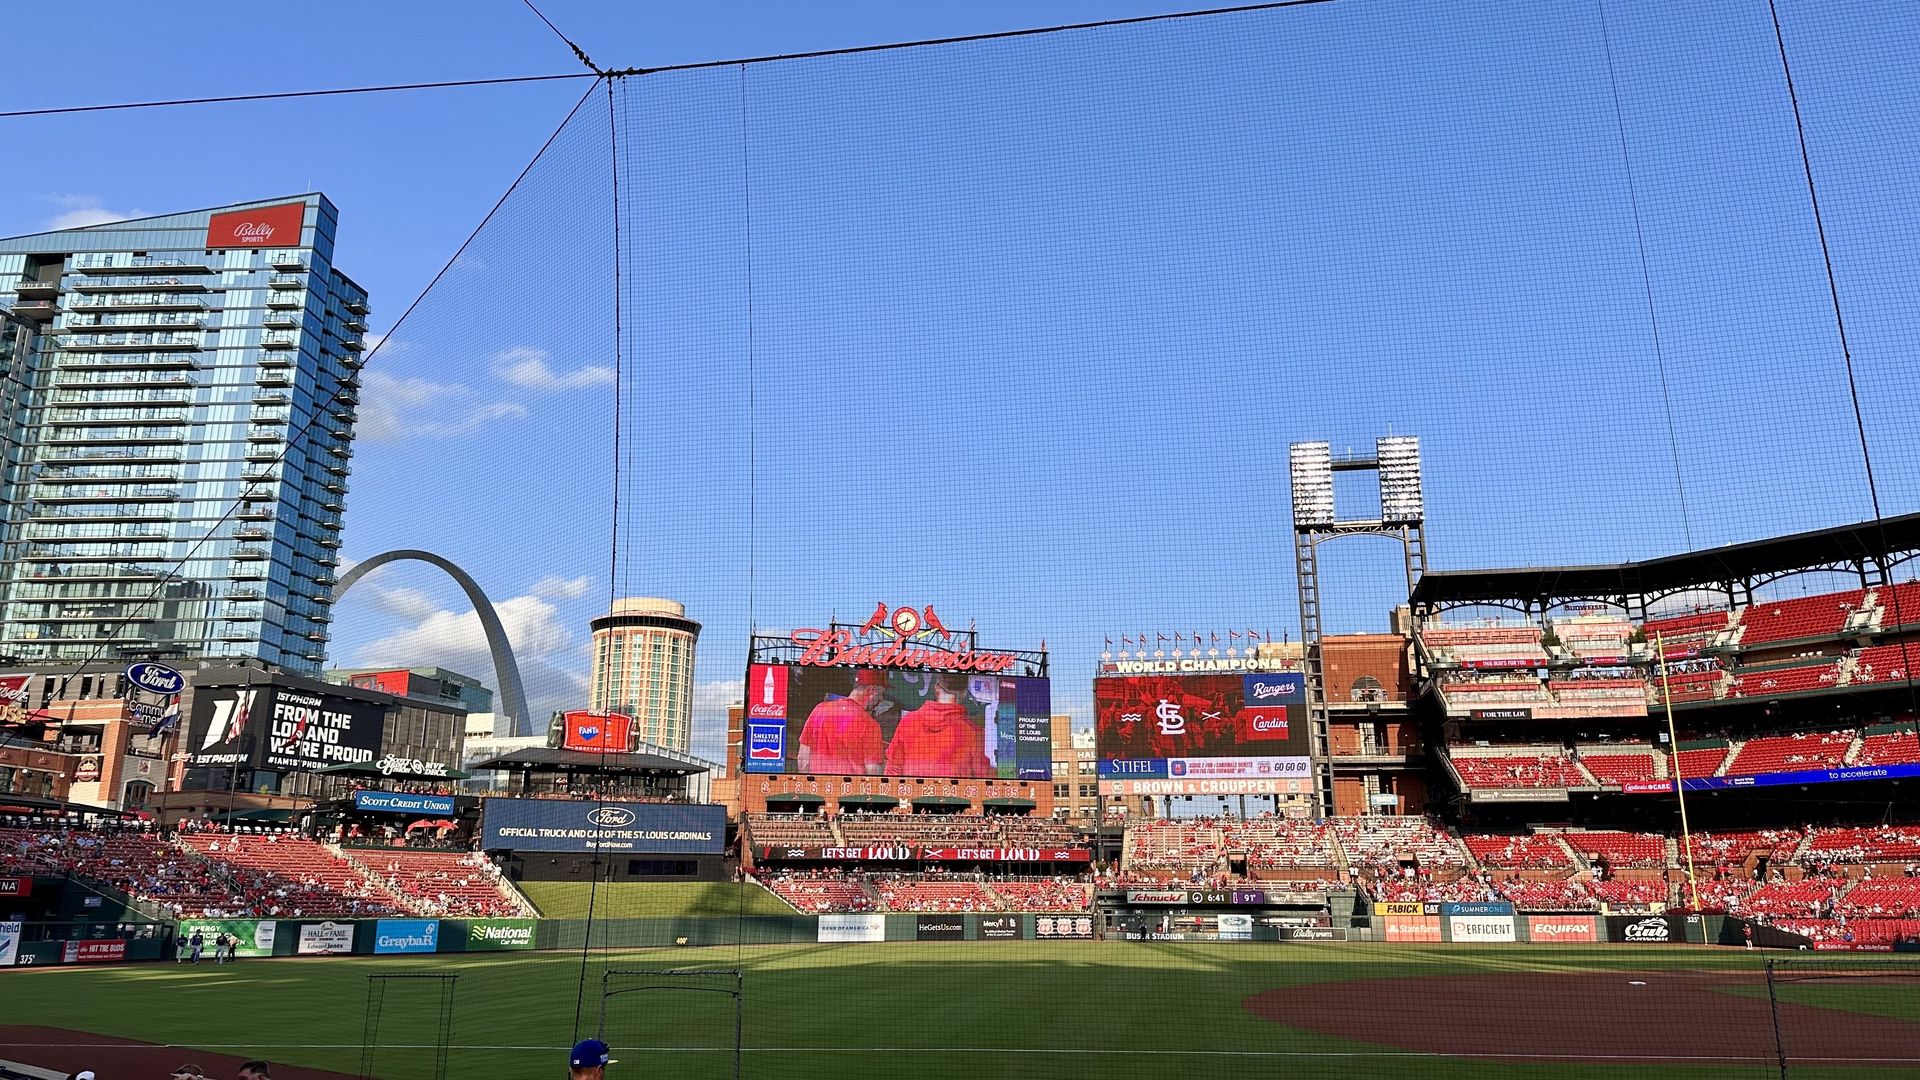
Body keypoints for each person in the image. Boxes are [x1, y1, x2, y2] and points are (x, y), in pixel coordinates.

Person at [884, 672, 989, 777]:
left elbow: (893, 770)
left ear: (936, 688)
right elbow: (982, 780)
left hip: (912, 791)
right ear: (965, 693)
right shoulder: (974, 733)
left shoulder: (909, 721)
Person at [797, 670, 887, 775]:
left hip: (818, 786)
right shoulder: (870, 725)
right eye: (881, 694)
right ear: (871, 691)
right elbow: (873, 770)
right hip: (851, 789)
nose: (881, 699)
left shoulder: (819, 710)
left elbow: (803, 758)